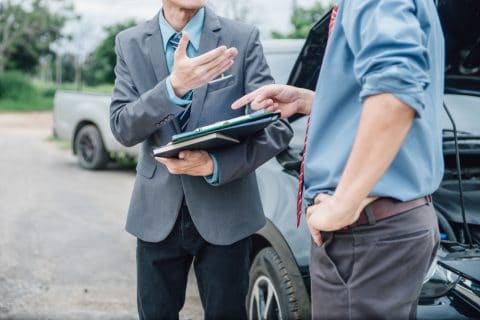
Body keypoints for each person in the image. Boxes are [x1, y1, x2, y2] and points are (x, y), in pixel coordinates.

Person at [232, 0, 444, 318]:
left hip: (367, 234)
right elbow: (392, 91)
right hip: (393, 225)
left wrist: (343, 204)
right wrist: (308, 100)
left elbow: (394, 96)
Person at [110, 0, 293, 319]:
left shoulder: (243, 36)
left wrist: (215, 165)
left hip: (228, 210)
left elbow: (277, 126)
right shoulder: (129, 42)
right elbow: (124, 128)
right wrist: (173, 88)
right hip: (155, 214)